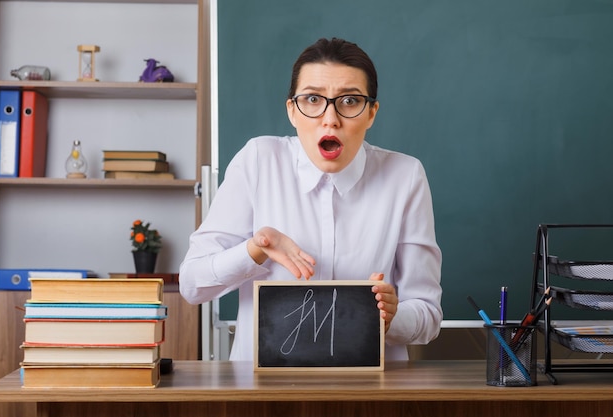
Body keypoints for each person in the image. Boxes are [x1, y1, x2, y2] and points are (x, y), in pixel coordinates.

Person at [179, 37, 442, 361]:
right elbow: (192, 285)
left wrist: (391, 317)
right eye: (313, 99)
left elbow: (428, 314)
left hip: (371, 393)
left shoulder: (405, 176)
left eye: (349, 101)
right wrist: (255, 251)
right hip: (262, 393)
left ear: (371, 113)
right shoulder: (258, 160)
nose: (330, 118)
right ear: (292, 110)